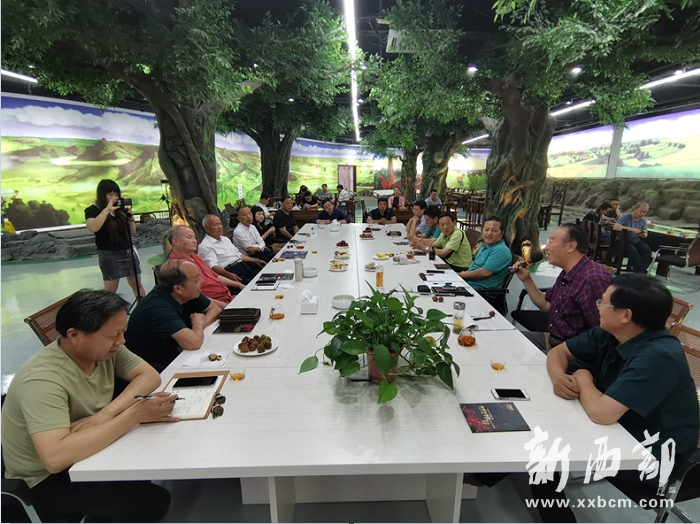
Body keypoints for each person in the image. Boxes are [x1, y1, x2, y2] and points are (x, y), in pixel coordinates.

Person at [1, 289, 175, 523]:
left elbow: (150, 376)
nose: (121, 341)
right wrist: (132, 416)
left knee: (148, 461)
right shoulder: (42, 380)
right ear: (74, 335)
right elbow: (54, 458)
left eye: (123, 332)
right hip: (44, 483)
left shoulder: (104, 349)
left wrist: (106, 414)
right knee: (152, 502)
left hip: (79, 455)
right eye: (114, 335)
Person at [540, 274, 699, 522]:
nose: (598, 307)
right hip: (620, 429)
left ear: (625, 315)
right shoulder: (613, 332)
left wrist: (583, 377)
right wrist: (559, 377)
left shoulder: (660, 355)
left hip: (654, 458)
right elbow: (558, 352)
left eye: (603, 302)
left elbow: (602, 413)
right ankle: (487, 475)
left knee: (546, 450)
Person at [513, 223, 611, 352]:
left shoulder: (592, 279)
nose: (546, 247)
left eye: (551, 241)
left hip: (573, 351)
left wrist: (563, 355)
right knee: (505, 340)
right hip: (553, 339)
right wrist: (527, 279)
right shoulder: (568, 272)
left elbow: (603, 332)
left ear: (571, 246)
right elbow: (546, 305)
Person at [125, 259, 221, 372]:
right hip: (149, 365)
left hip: (173, 352)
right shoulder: (158, 308)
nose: (202, 282)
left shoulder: (186, 293)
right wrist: (197, 326)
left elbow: (215, 309)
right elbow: (193, 343)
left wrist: (197, 330)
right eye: (196, 280)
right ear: (178, 288)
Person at [84, 179, 145, 298]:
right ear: (102, 195)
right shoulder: (93, 210)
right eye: (110, 194)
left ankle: (145, 307)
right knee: (110, 291)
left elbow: (131, 232)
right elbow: (93, 227)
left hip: (127, 251)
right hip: (109, 254)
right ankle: (107, 310)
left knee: (137, 284)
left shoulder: (120, 209)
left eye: (116, 194)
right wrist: (107, 210)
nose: (114, 198)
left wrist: (130, 219)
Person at [168, 225, 238, 309]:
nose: (194, 241)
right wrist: (228, 307)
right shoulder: (177, 266)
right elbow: (195, 297)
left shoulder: (194, 256)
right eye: (189, 237)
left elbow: (215, 276)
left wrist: (239, 285)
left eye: (194, 238)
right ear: (175, 241)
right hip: (215, 305)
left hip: (228, 296)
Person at [198, 214, 265, 285]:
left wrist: (256, 261)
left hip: (242, 265)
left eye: (220, 224)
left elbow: (238, 255)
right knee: (257, 285)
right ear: (207, 228)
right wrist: (228, 274)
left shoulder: (225, 239)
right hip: (230, 270)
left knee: (265, 278)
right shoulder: (205, 246)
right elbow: (213, 266)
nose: (220, 227)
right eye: (215, 225)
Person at [458, 217, 512, 291]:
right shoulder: (484, 245)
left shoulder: (501, 250)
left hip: (480, 291)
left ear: (501, 233)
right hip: (468, 284)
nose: (489, 233)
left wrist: (462, 275)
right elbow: (475, 267)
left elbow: (484, 273)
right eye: (486, 230)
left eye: (494, 231)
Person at [614, 201, 652, 273]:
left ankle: (642, 270)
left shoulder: (643, 221)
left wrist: (642, 234)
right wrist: (631, 229)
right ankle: (639, 272)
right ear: (635, 209)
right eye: (641, 211)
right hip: (623, 240)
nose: (642, 214)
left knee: (647, 251)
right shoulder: (625, 217)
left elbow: (645, 234)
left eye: (645, 212)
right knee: (633, 251)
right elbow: (616, 227)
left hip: (636, 240)